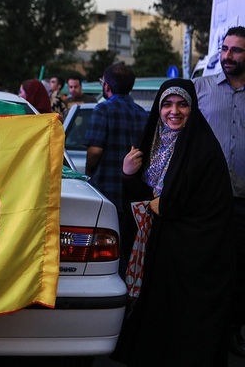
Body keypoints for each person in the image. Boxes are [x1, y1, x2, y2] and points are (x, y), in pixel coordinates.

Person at [111, 78, 234, 366]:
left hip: (192, 255)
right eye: (167, 104)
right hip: (158, 251)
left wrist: (169, 205)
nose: (174, 111)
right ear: (158, 108)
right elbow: (142, 200)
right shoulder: (153, 143)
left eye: (182, 104)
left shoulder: (204, 149)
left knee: (183, 326)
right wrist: (128, 174)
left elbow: (212, 205)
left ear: (193, 108)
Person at [194, 25, 245, 358]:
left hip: (243, 204)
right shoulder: (201, 89)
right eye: (225, 49)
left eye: (236, 50)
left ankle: (232, 329)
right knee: (205, 267)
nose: (228, 56)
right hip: (206, 204)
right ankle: (202, 331)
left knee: (239, 271)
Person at [84, 62, 148, 269]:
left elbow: (95, 150)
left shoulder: (102, 109)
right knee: (127, 248)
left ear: (107, 86)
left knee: (103, 250)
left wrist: (88, 172)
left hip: (106, 191)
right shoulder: (142, 114)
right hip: (131, 192)